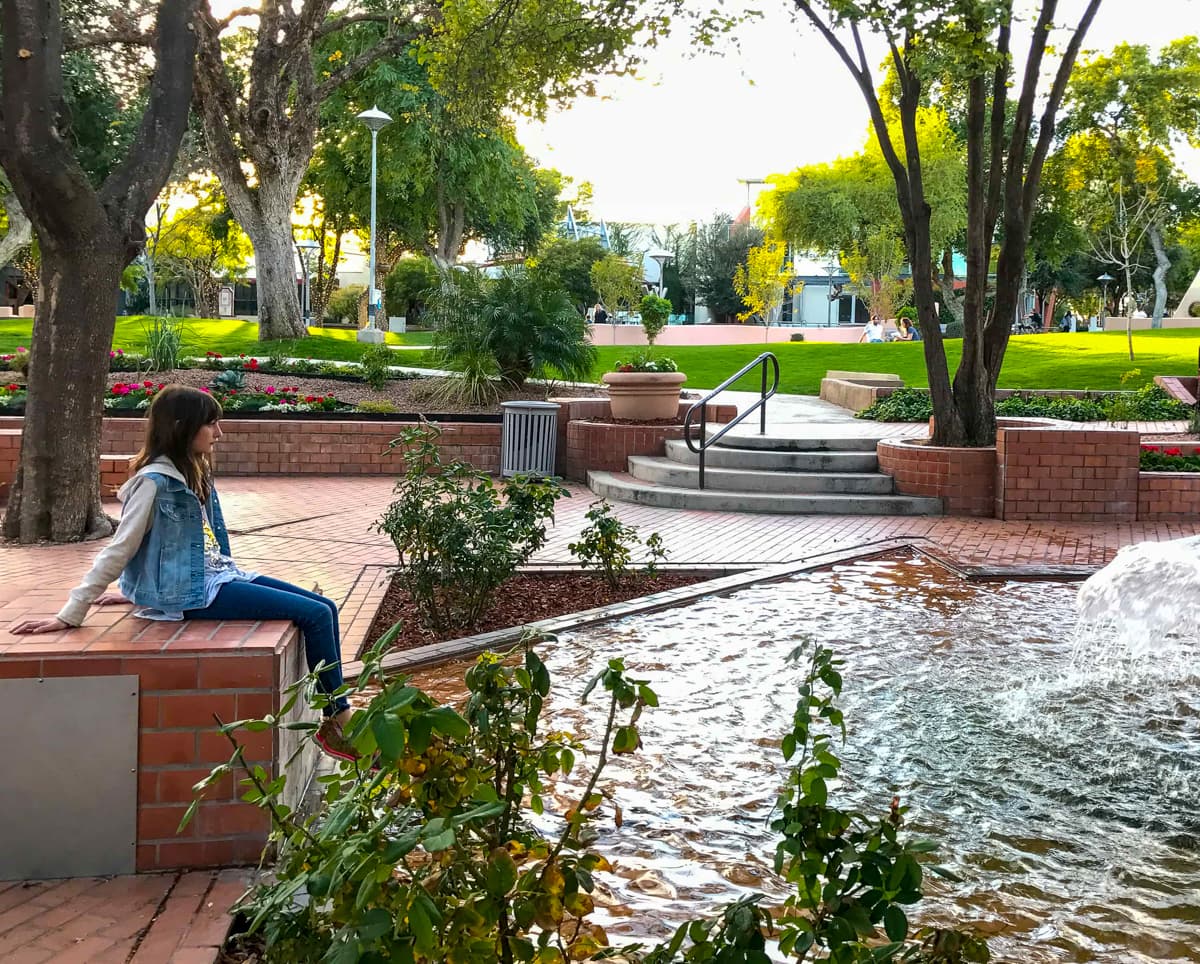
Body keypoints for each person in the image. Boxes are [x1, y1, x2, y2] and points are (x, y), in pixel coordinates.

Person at [9, 385, 360, 763]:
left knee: (324, 605)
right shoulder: (152, 482)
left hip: (216, 576)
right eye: (212, 425)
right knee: (316, 615)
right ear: (182, 427)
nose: (219, 434)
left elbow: (183, 548)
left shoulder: (193, 471)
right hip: (192, 594)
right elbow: (121, 547)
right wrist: (71, 612)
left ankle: (335, 713)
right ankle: (338, 718)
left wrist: (139, 590)